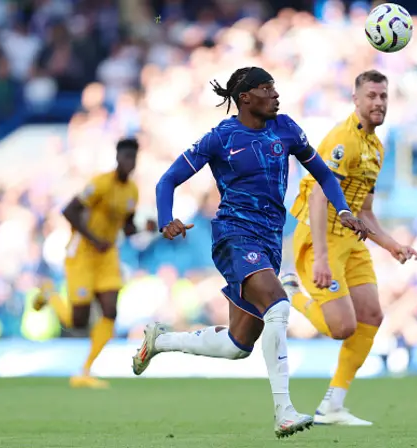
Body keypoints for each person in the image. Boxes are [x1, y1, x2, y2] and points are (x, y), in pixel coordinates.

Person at [131, 67, 371, 438]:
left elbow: (324, 175)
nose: (276, 95)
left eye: (274, 88)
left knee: (237, 345)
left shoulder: (286, 128)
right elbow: (168, 180)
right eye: (266, 89)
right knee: (277, 306)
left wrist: (342, 209)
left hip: (269, 241)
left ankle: (159, 341)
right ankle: (284, 412)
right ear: (245, 98)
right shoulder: (221, 138)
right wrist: (167, 219)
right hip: (234, 235)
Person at [282, 70, 417, 426]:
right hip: (320, 239)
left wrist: (391, 245)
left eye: (383, 96)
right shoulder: (345, 140)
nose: (378, 102)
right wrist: (322, 259)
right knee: (342, 327)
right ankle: (290, 295)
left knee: (371, 316)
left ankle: (332, 406)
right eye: (371, 96)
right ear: (356, 100)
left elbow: (365, 210)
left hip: (351, 239)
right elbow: (316, 195)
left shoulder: (377, 147)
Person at [33, 137, 147, 389]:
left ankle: (85, 370)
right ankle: (50, 293)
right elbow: (69, 211)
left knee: (110, 311)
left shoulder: (132, 192)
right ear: (117, 158)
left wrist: (145, 228)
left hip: (107, 256)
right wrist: (95, 239)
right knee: (78, 322)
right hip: (83, 254)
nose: (129, 162)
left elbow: (127, 227)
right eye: (126, 156)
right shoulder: (100, 184)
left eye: (133, 158)